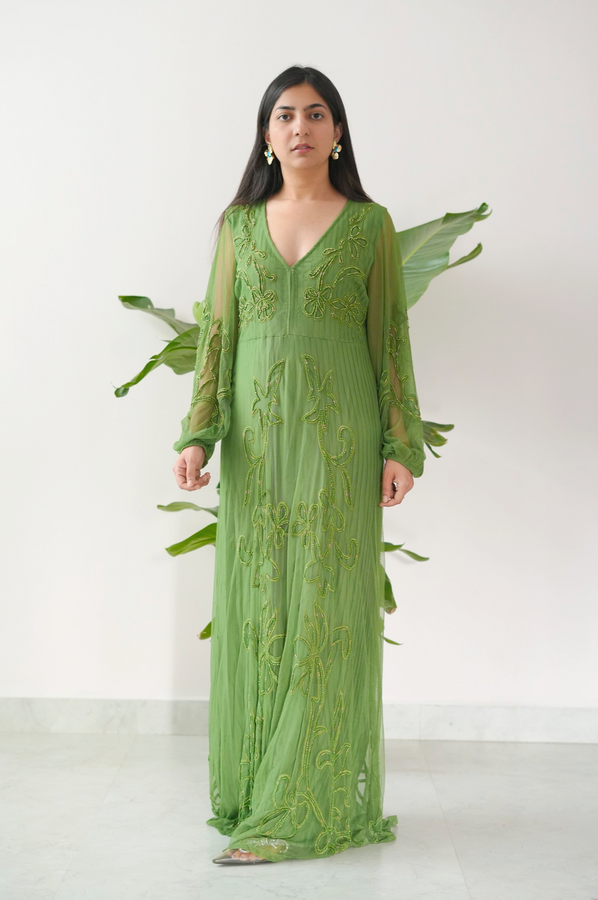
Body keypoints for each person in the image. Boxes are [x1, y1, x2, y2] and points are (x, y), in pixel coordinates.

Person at [172, 65, 426, 866]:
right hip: (255, 444)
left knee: (323, 610)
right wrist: (198, 433)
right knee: (262, 606)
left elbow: (389, 339)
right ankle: (258, 785)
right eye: (285, 115)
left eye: (317, 114)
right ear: (267, 134)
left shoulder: (370, 224)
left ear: (339, 132)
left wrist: (398, 443)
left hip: (338, 440)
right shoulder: (238, 227)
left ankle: (298, 802)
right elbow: (218, 338)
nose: (301, 127)